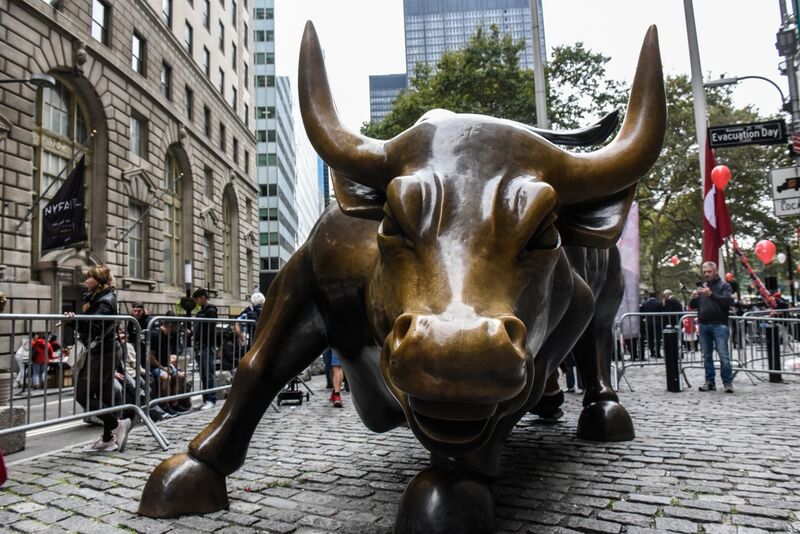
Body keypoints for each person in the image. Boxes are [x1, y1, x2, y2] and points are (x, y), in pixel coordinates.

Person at [65, 265, 133, 452]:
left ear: (99, 281)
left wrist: (73, 321)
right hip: (104, 351)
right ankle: (107, 439)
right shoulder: (100, 297)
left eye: (89, 277)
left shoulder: (104, 301)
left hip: (103, 353)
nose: (86, 281)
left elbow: (94, 327)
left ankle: (117, 424)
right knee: (104, 395)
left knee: (83, 395)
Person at [689, 261, 735, 393]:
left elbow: (728, 302)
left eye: (709, 271)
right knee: (707, 356)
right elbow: (693, 305)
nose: (707, 274)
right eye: (704, 272)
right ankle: (710, 381)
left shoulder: (724, 286)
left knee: (724, 356)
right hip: (703, 325)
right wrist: (693, 298)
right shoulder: (702, 287)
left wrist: (711, 295)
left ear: (715, 271)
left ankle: (727, 382)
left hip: (719, 325)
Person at [150, 314, 188, 416]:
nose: (177, 328)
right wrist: (163, 368)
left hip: (166, 364)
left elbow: (172, 350)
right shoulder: (156, 335)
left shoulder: (170, 335)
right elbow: (150, 357)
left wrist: (172, 357)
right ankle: (165, 405)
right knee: (167, 377)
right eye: (176, 326)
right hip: (155, 366)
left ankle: (174, 403)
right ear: (170, 325)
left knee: (181, 376)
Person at [192, 288, 218, 411]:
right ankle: (205, 398)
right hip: (200, 345)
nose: (197, 302)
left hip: (207, 344)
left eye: (197, 299)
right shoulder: (201, 311)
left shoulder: (211, 310)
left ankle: (211, 398)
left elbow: (209, 330)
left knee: (208, 373)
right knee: (203, 373)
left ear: (203, 298)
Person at [639, 291, 664, 358]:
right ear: (655, 296)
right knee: (658, 338)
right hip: (657, 322)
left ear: (649, 296)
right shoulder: (659, 303)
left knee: (650, 338)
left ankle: (652, 352)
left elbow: (642, 313)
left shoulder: (644, 304)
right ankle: (658, 353)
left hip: (648, 323)